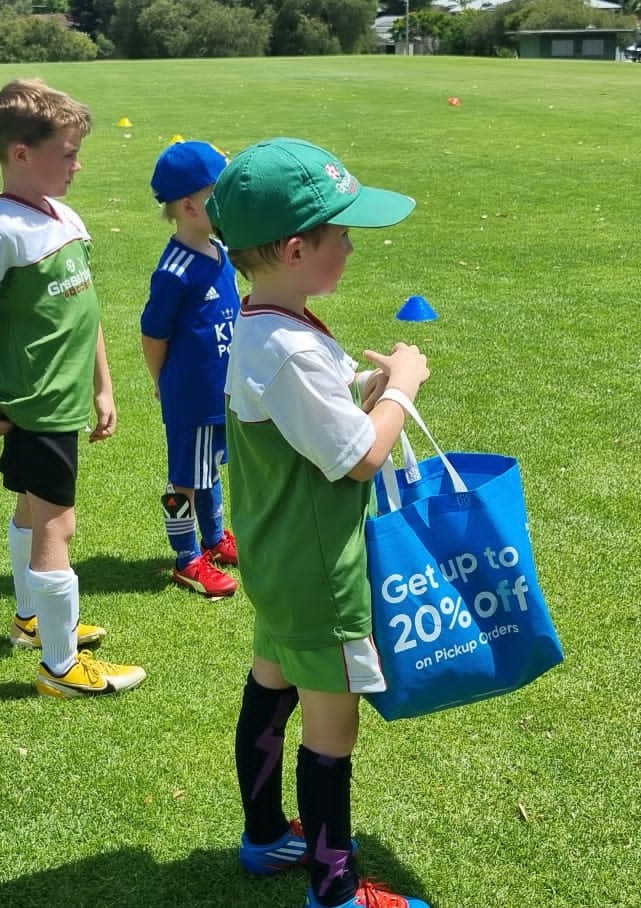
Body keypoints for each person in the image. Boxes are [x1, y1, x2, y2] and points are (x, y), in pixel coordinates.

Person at [206, 138, 432, 908]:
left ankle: (265, 835)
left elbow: (307, 413)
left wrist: (363, 382)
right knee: (332, 728)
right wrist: (400, 388)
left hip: (278, 560)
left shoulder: (267, 322)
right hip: (317, 573)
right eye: (341, 234)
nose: (351, 246)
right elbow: (360, 457)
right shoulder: (288, 347)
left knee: (272, 684)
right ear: (296, 249)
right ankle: (334, 890)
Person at [0, 78, 146, 698]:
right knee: (58, 526)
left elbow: (86, 307)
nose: (78, 165)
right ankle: (61, 666)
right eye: (68, 154)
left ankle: (31, 621)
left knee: (32, 510)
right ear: (21, 153)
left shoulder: (64, 216)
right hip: (38, 403)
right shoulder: (4, 232)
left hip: (66, 399)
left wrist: (104, 386)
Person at [141, 140, 242, 599]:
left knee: (209, 469)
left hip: (221, 393)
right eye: (218, 194)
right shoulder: (175, 271)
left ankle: (215, 539)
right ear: (189, 206)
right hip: (192, 397)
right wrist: (161, 382)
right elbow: (153, 334)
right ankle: (186, 558)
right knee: (184, 479)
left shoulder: (220, 250)